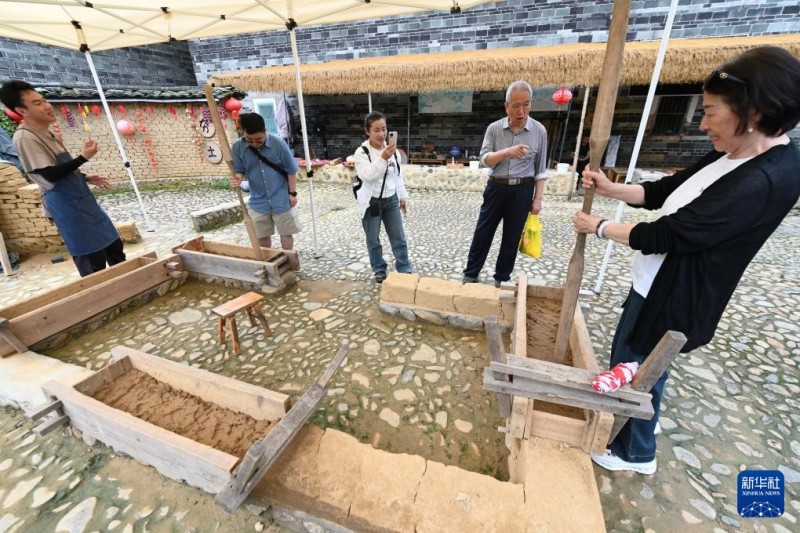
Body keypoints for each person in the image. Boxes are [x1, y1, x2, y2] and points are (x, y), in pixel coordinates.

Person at [573, 46, 800, 475]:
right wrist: (609, 188)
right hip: (656, 283)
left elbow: (669, 234)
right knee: (644, 366)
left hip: (677, 294)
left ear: (752, 112)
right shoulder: (734, 149)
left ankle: (633, 453)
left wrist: (599, 227)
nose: (702, 123)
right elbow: (663, 193)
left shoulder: (765, 178)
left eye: (712, 112)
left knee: (635, 365)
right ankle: (642, 429)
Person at [0, 80, 125, 277]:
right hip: (67, 206)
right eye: (37, 103)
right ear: (21, 110)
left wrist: (84, 177)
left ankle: (129, 285)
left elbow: (61, 167)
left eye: (44, 100)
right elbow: (48, 173)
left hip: (83, 201)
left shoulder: (47, 132)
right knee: (92, 260)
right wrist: (83, 158)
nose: (47, 106)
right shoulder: (25, 138)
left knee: (114, 245)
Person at [463, 80, 548, 287]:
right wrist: (508, 152)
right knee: (483, 232)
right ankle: (471, 273)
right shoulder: (494, 129)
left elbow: (541, 170)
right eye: (516, 105)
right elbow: (484, 160)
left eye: (526, 104)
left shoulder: (539, 131)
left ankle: (502, 278)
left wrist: (538, 199)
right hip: (496, 187)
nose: (521, 111)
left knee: (511, 237)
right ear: (506, 106)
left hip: (522, 189)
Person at [353, 111, 412, 283]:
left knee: (398, 237)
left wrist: (402, 197)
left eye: (384, 129)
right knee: (373, 238)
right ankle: (378, 268)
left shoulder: (394, 152)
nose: (381, 134)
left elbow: (397, 176)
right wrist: (383, 158)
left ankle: (404, 267)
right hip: (371, 202)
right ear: (367, 131)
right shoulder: (362, 152)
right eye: (376, 130)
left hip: (391, 200)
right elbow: (368, 175)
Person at [230, 112, 301, 250]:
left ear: (265, 131)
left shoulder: (278, 144)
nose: (254, 143)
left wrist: (292, 193)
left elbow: (291, 170)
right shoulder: (238, 147)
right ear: (242, 132)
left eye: (259, 139)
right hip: (258, 199)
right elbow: (239, 170)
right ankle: (269, 262)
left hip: (280, 197)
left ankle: (288, 259)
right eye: (249, 139)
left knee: (286, 233)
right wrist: (238, 177)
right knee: (261, 235)